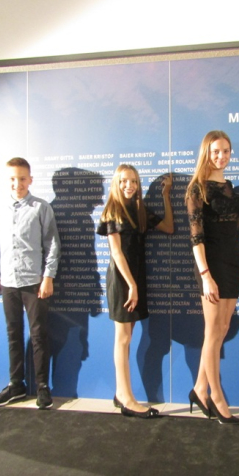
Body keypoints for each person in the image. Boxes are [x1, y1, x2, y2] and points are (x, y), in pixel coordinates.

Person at [186, 130, 239, 424]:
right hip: (210, 265)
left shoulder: (229, 187)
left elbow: (229, 225)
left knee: (221, 329)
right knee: (213, 332)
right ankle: (217, 397)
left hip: (233, 261)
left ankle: (199, 389)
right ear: (206, 153)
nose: (221, 156)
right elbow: (196, 237)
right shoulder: (197, 189)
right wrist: (205, 275)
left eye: (225, 151)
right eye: (215, 151)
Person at [96, 165, 174, 418]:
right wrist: (131, 285)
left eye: (133, 181)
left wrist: (165, 196)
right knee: (123, 338)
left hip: (136, 279)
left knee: (127, 338)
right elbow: (116, 253)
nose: (129, 186)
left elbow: (169, 227)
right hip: (122, 280)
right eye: (124, 181)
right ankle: (126, 398)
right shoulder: (112, 211)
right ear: (116, 183)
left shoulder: (140, 210)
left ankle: (122, 394)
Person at [0, 157, 61, 409]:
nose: (17, 183)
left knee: (38, 334)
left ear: (30, 180)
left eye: (21, 178)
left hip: (33, 282)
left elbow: (52, 245)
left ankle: (42, 386)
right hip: (8, 281)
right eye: (12, 179)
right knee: (13, 334)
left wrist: (48, 277)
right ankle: (16, 385)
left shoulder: (41, 207)